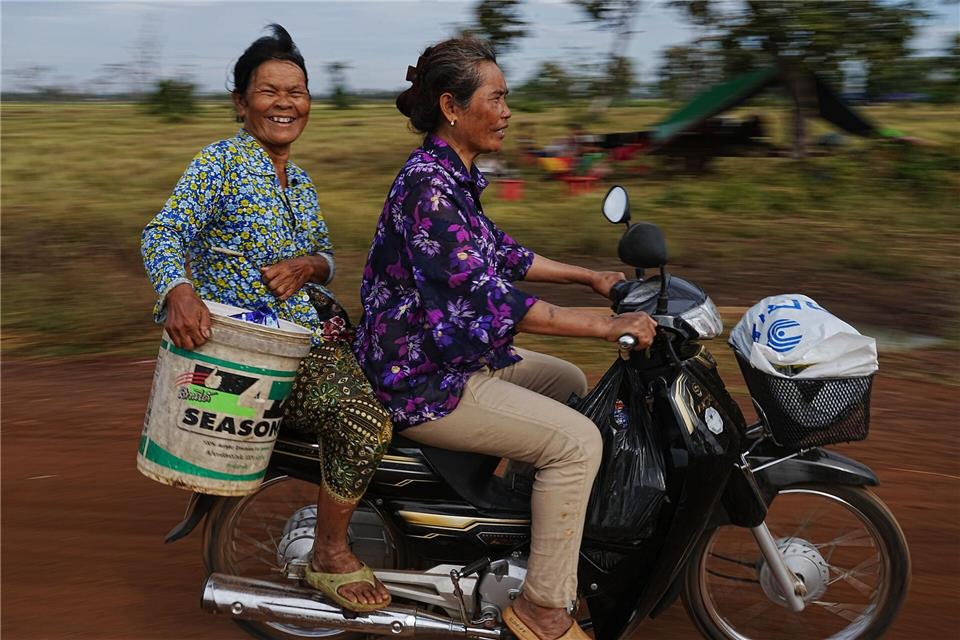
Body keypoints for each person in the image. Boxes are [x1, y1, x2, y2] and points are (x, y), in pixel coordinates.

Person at [353, 38, 657, 640]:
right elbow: (488, 299)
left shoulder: (452, 175)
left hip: (446, 356)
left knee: (567, 380)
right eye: (495, 99)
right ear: (452, 107)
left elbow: (501, 252)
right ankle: (543, 609)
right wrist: (605, 326)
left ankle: (514, 529)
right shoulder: (428, 188)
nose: (507, 112)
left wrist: (589, 277)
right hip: (420, 378)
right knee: (577, 443)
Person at [140, 24, 391, 613]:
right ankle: (329, 552)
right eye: (269, 91)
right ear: (240, 102)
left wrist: (309, 266)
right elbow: (163, 232)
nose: (285, 103)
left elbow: (325, 255)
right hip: (254, 352)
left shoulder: (298, 180)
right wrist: (178, 291)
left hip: (310, 332)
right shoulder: (221, 163)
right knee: (365, 422)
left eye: (296, 92)